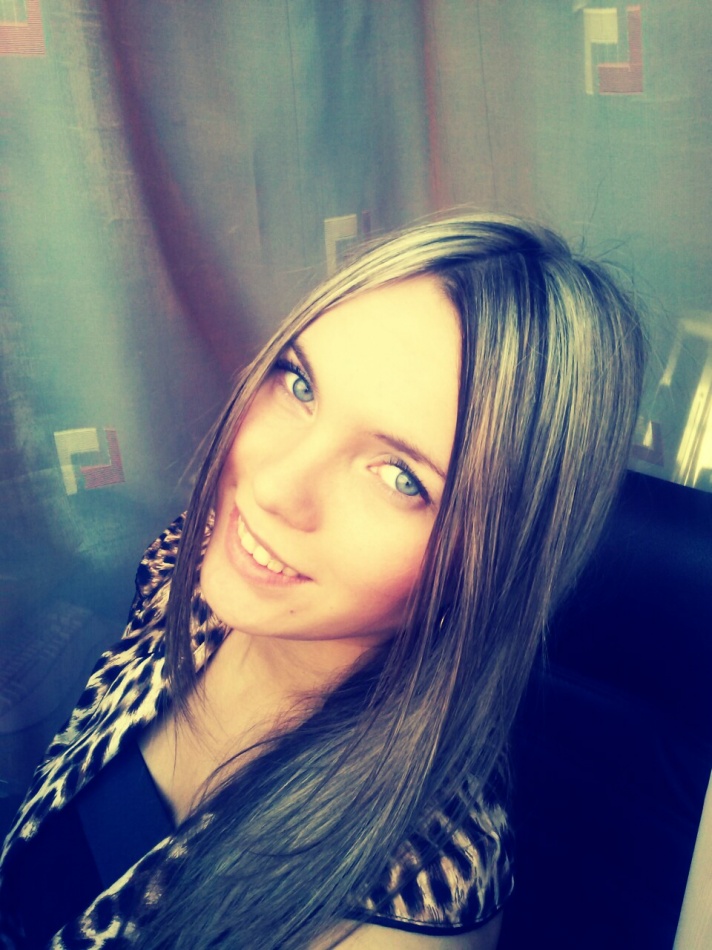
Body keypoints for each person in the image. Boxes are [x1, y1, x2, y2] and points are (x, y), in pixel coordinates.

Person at [0, 214, 645, 949]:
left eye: (400, 476)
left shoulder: (405, 902)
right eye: (299, 383)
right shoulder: (192, 566)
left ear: (493, 567)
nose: (273, 486)